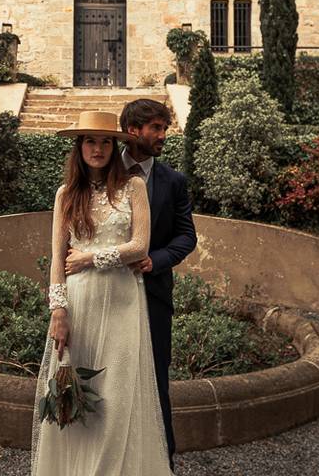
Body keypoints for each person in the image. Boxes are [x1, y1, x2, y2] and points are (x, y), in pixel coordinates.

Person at [31, 111, 173, 476]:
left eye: (105, 142)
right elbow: (57, 259)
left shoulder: (133, 187)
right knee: (77, 392)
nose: (98, 149)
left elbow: (140, 247)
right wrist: (57, 312)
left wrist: (92, 258)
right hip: (79, 303)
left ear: (115, 146)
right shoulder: (65, 194)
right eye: (90, 141)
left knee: (118, 393)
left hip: (124, 301)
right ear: (79, 148)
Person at [120, 99, 198, 471]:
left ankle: (161, 462)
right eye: (156, 128)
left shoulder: (174, 181)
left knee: (155, 378)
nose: (163, 136)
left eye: (165, 128)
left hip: (153, 296)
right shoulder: (100, 170)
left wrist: (157, 260)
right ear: (133, 130)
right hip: (106, 295)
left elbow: (187, 237)